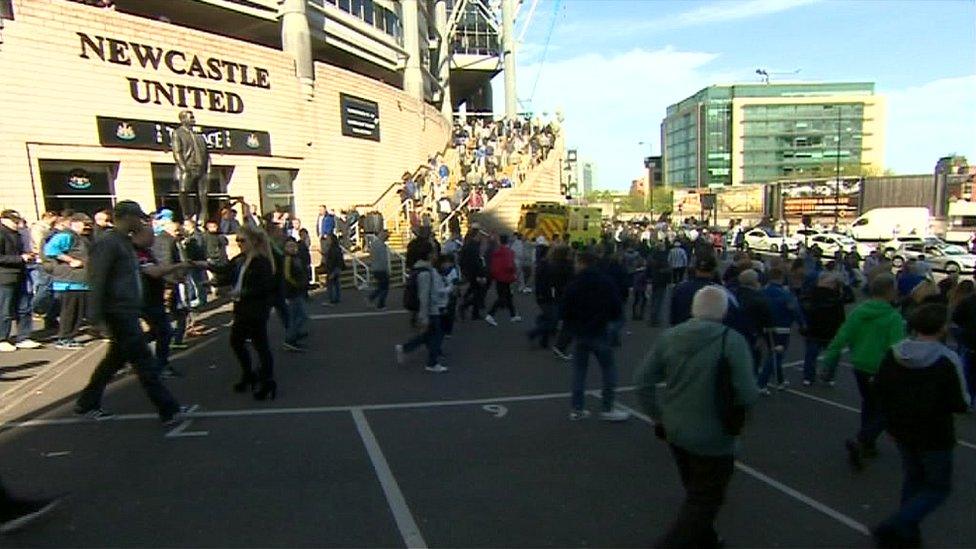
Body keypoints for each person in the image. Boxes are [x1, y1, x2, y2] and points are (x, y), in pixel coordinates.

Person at [635, 286, 759, 548]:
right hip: (715, 434)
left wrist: (658, 416)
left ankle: (706, 538)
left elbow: (643, 382)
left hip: (676, 428)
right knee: (705, 499)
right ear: (724, 311)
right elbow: (748, 393)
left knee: (695, 490)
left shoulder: (670, 337)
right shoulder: (732, 340)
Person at [75, 201, 186, 424]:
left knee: (114, 361)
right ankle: (168, 409)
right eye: (138, 217)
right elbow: (97, 280)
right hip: (117, 311)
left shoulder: (124, 243)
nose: (142, 222)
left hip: (127, 309)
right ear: (125, 217)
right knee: (143, 362)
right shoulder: (108, 244)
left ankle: (87, 402)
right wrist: (95, 317)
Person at [873, 304, 971, 548]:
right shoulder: (947, 359)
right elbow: (960, 402)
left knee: (913, 478)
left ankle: (906, 532)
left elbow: (881, 391)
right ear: (942, 328)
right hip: (935, 433)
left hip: (902, 428)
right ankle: (897, 523)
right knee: (938, 487)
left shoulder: (894, 353)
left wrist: (891, 423)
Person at [822, 274, 906, 470]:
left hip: (860, 365)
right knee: (888, 409)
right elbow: (897, 347)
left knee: (869, 403)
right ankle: (863, 439)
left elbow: (842, 336)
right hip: (882, 369)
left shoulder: (859, 313)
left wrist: (828, 362)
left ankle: (868, 444)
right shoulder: (893, 317)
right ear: (889, 292)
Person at [207, 226, 278, 400]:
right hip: (241, 307)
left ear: (253, 242)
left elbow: (263, 288)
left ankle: (267, 380)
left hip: (255, 309)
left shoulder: (261, 262)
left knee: (260, 345)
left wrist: (240, 293)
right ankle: (249, 375)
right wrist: (204, 267)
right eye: (237, 240)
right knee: (237, 342)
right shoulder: (241, 259)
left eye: (242, 240)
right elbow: (225, 271)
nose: (239, 244)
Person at [561, 251, 629, 422]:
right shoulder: (606, 282)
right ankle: (607, 407)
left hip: (581, 332)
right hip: (601, 331)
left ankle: (577, 408)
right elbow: (617, 308)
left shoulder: (574, 284)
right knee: (608, 370)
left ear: (582, 263)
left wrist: (572, 327)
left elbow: (565, 311)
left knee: (579, 371)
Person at [395, 239, 450, 373]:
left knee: (428, 335)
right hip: (431, 310)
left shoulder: (420, 269)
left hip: (430, 309)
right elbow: (424, 296)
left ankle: (405, 348)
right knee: (436, 335)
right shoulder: (425, 272)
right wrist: (424, 316)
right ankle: (432, 362)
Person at [43, 212, 91, 349]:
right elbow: (50, 249)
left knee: (78, 313)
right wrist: (71, 260)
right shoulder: (66, 235)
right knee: (70, 312)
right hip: (70, 282)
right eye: (84, 224)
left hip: (80, 282)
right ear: (74, 223)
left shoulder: (81, 237)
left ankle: (69, 336)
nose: (87, 227)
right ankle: (64, 338)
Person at [757, 266, 804, 393]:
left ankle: (780, 380)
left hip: (766, 327)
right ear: (781, 278)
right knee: (776, 356)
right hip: (782, 328)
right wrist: (802, 325)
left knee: (773, 353)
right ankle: (762, 383)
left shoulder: (762, 292)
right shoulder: (786, 295)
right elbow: (795, 311)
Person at [0, 210, 40, 353]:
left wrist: (27, 256)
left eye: (18, 221)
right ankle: (2, 338)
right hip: (5, 277)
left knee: (24, 308)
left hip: (20, 274)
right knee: (5, 310)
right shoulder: (2, 234)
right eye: (15, 221)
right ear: (4, 219)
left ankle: (24, 337)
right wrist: (20, 258)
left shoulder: (18, 234)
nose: (18, 224)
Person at [799, 273, 846, 386]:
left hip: (814, 329)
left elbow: (804, 308)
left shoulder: (812, 294)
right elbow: (841, 316)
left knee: (811, 355)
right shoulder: (836, 297)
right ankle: (828, 377)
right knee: (833, 355)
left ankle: (808, 377)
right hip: (831, 331)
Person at [669, 256, 718, 327]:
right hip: (709, 333)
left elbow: (673, 316)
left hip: (683, 330)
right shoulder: (720, 292)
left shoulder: (680, 288)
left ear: (695, 269)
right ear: (713, 271)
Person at [485, 234, 520, 325]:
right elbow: (510, 265)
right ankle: (490, 314)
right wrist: (513, 273)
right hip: (506, 277)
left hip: (498, 276)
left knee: (507, 296)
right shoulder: (508, 252)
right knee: (503, 297)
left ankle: (513, 315)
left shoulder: (497, 252)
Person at [282, 239, 310, 352]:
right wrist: (297, 284)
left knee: (297, 316)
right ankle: (290, 338)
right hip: (292, 292)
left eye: (294, 246)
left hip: (298, 291)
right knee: (300, 316)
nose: (292, 248)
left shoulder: (297, 258)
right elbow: (287, 276)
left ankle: (293, 336)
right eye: (289, 246)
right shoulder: (288, 259)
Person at [367, 230, 390, 310]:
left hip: (375, 267)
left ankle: (371, 298)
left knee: (381, 286)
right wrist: (387, 269)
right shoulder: (381, 246)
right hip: (381, 268)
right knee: (384, 287)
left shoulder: (373, 244)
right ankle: (381, 304)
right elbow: (384, 259)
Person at [323, 233, 343, 306]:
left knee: (330, 284)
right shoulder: (336, 248)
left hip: (333, 269)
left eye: (328, 239)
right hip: (336, 268)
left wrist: (331, 270)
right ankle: (337, 298)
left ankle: (332, 300)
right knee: (336, 283)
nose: (327, 240)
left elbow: (333, 260)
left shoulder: (332, 249)